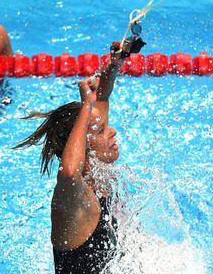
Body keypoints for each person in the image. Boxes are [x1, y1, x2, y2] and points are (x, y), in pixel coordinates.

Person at [15, 36, 145, 273]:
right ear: (83, 147)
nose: (112, 131)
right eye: (102, 130)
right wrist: (86, 106)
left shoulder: (97, 170)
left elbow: (102, 98)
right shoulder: (74, 198)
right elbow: (69, 171)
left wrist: (114, 64)